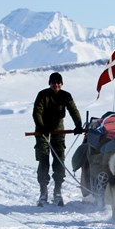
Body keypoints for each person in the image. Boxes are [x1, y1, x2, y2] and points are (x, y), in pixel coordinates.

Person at [32, 72, 83, 207]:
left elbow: (73, 110)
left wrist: (78, 125)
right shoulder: (43, 95)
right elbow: (37, 111)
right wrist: (41, 126)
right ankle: (43, 193)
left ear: (62, 83)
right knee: (43, 160)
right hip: (42, 131)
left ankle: (57, 192)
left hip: (58, 131)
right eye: (53, 82)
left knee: (59, 160)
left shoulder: (66, 96)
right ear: (50, 83)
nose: (56, 85)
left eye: (58, 82)